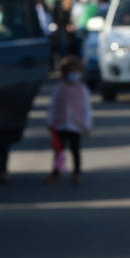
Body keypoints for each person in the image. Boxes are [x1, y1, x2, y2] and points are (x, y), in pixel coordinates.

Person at [45, 55, 92, 185]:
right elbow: (53, 106)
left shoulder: (83, 89)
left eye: (77, 71)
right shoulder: (59, 88)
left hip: (76, 125)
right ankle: (55, 172)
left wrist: (87, 125)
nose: (74, 74)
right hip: (60, 124)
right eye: (71, 71)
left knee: (75, 150)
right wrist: (50, 122)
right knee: (59, 150)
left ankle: (77, 173)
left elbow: (87, 108)